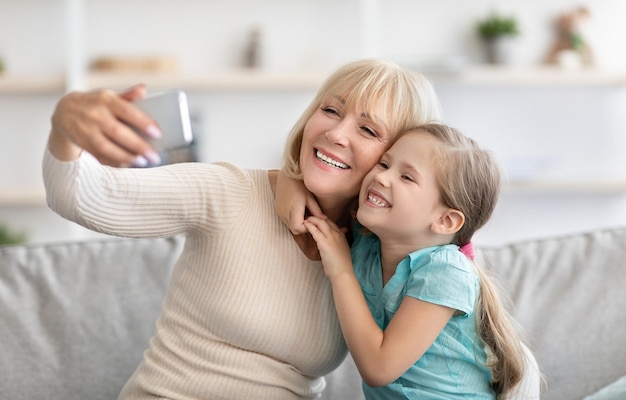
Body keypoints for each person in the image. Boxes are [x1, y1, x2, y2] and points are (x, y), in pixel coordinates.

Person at [42, 58, 442, 399]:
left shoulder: (377, 258)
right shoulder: (230, 192)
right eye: (331, 110)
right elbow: (80, 195)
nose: (335, 134)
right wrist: (64, 127)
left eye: (368, 130)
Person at [301, 123, 528, 399]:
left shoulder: (445, 270)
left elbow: (378, 367)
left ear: (445, 220)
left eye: (407, 177)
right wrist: (289, 186)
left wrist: (341, 271)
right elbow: (311, 188)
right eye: (384, 164)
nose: (382, 178)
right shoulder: (367, 244)